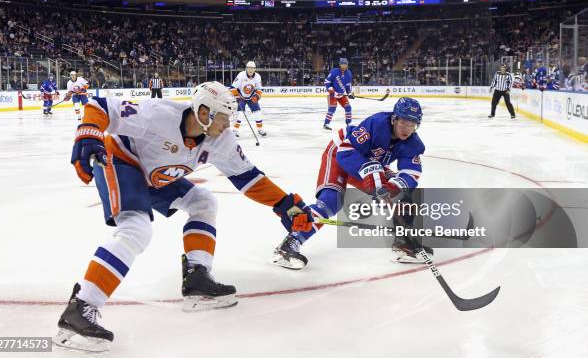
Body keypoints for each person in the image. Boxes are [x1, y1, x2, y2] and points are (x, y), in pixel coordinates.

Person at [54, 81, 312, 352]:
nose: (228, 124)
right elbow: (100, 106)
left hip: (157, 177)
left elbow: (248, 177)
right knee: (136, 229)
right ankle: (82, 306)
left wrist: (287, 206)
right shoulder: (157, 114)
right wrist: (88, 135)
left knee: (204, 202)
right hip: (121, 160)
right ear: (204, 113)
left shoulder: (221, 139)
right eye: (224, 117)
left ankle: (197, 277)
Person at [271, 97, 426, 270]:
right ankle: (290, 244)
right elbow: (346, 150)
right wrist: (371, 171)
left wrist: (394, 186)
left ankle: (403, 243)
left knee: (400, 196)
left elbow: (411, 173)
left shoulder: (413, 143)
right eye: (404, 122)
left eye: (413, 124)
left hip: (369, 163)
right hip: (339, 154)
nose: (408, 129)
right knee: (331, 202)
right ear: (394, 118)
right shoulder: (376, 124)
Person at [231, 61, 266, 137]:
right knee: (240, 114)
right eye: (249, 68)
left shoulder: (257, 77)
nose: (250, 70)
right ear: (246, 68)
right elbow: (233, 88)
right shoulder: (241, 75)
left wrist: (257, 96)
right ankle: (235, 130)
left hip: (251, 97)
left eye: (252, 68)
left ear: (255, 69)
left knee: (258, 113)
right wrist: (237, 97)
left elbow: (259, 89)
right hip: (241, 97)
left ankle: (260, 129)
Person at [323, 57, 354, 131]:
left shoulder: (349, 73)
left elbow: (348, 85)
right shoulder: (334, 71)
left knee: (348, 107)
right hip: (333, 94)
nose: (344, 66)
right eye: (342, 64)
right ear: (340, 65)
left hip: (342, 94)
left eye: (345, 64)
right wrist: (331, 90)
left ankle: (348, 123)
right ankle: (326, 124)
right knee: (332, 108)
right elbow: (327, 82)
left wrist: (349, 92)